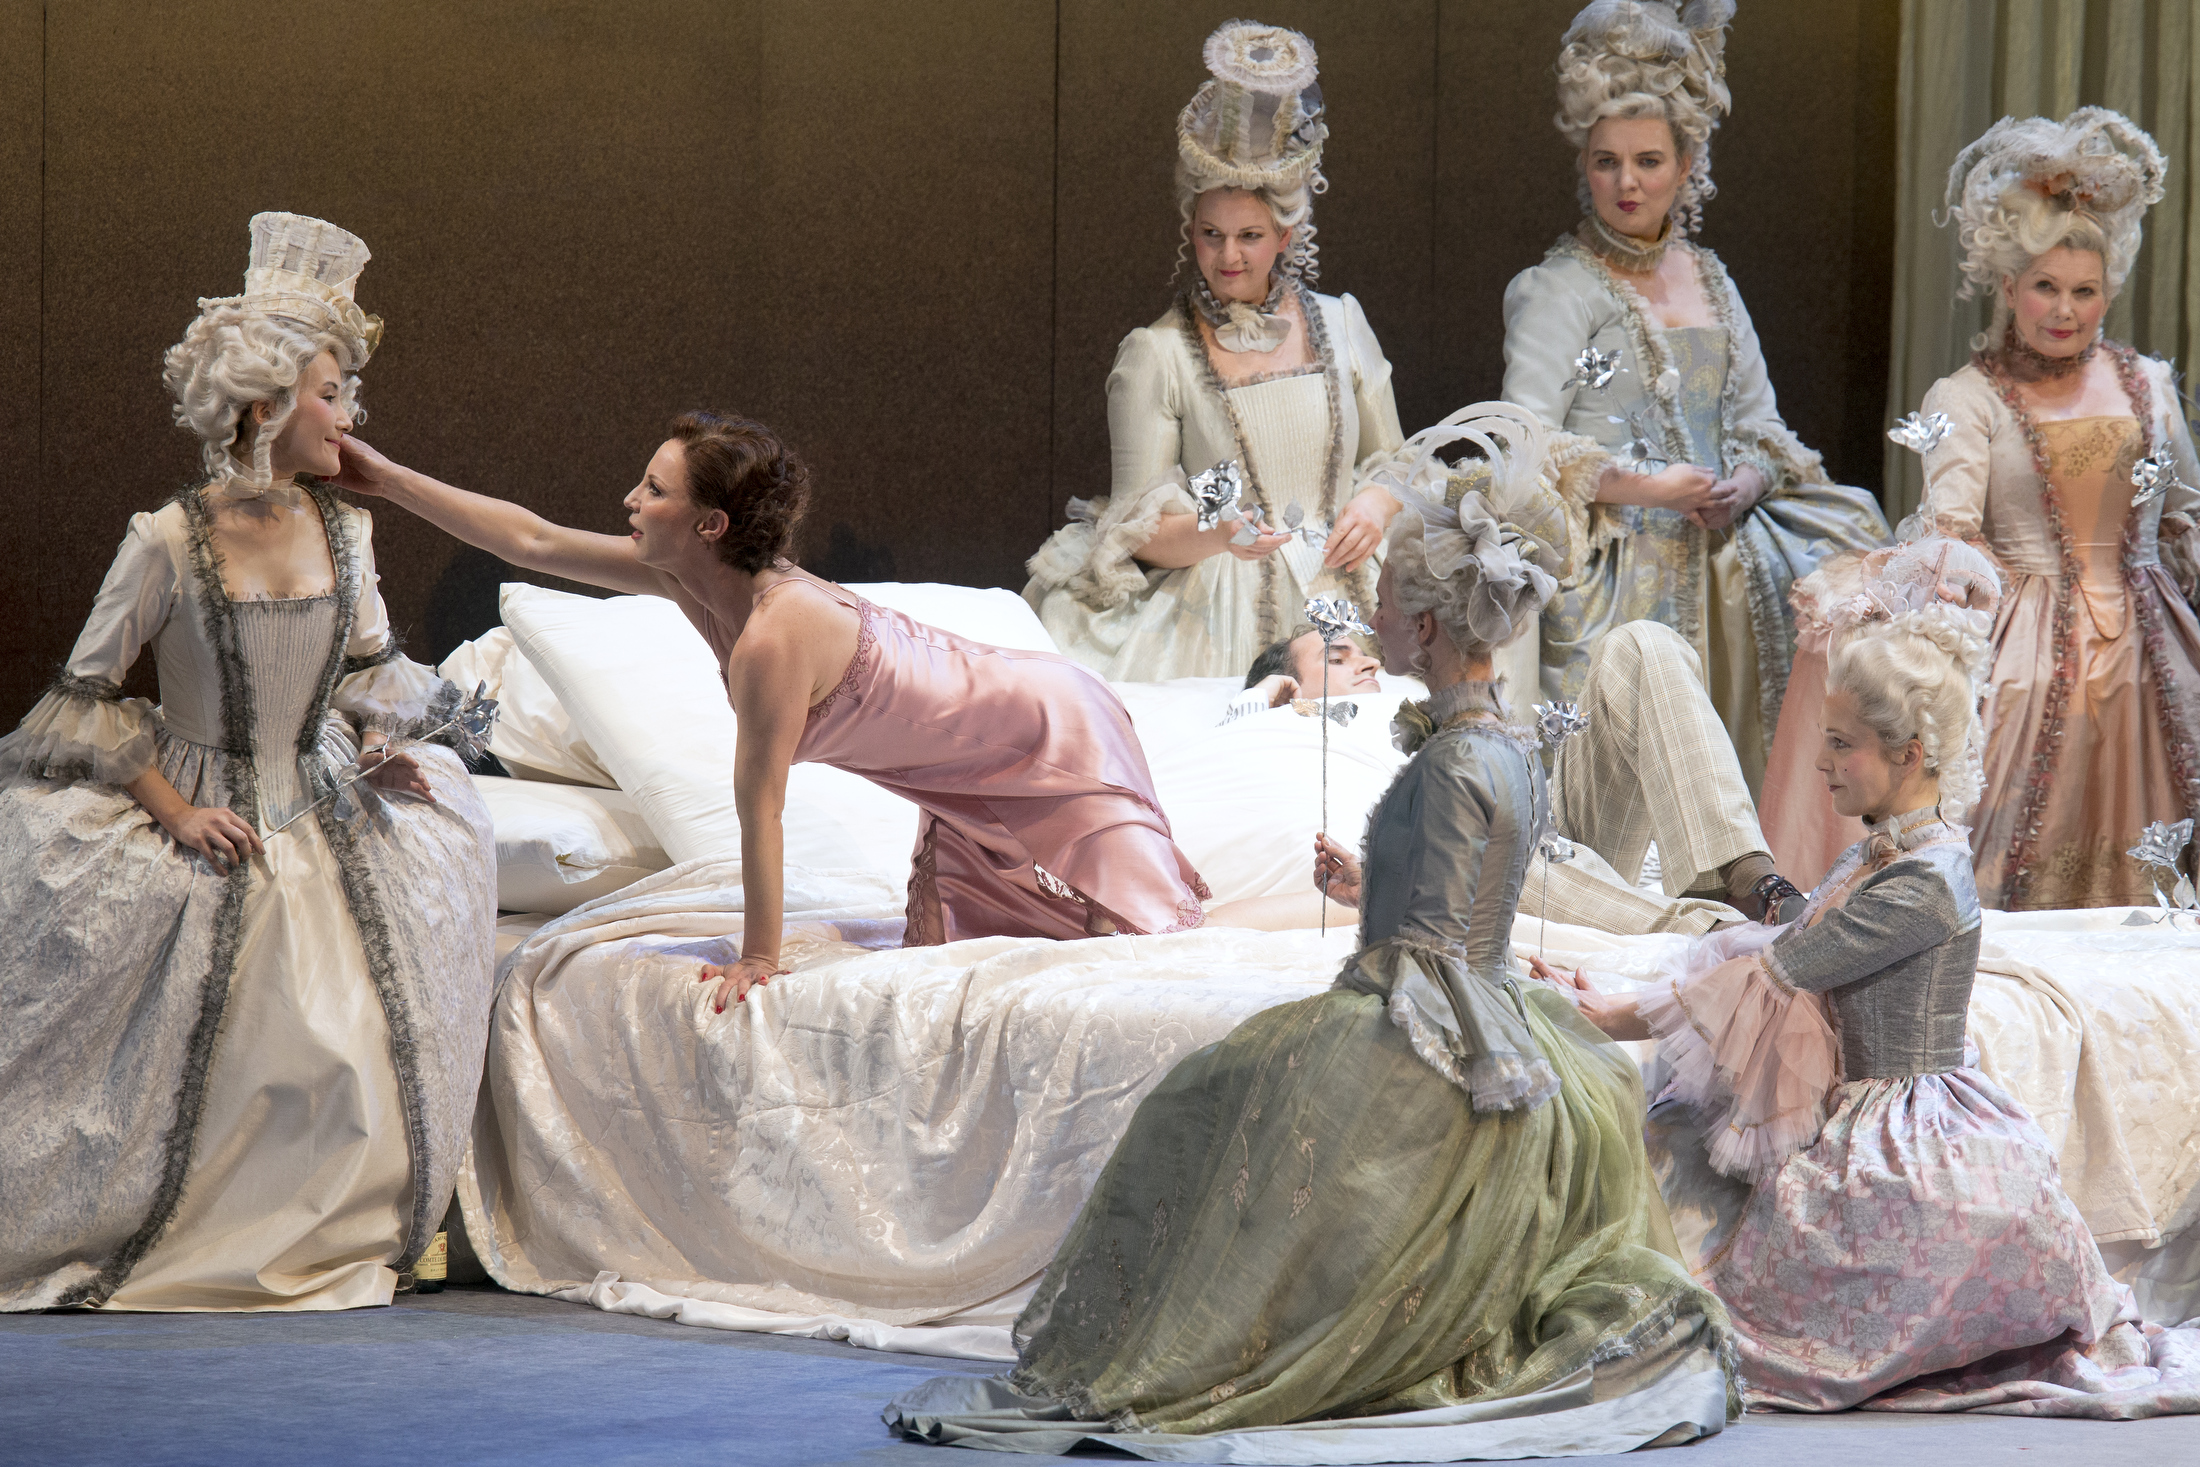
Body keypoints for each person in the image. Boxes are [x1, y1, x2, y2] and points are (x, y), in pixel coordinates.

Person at [886, 411, 1739, 1459]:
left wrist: (1391, 968)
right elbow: (1470, 889)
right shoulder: (1504, 746)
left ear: (1423, 626)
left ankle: (1218, 1348)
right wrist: (1379, 880)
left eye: (1381, 606)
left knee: (1202, 1097)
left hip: (1429, 1011)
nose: (1367, 617)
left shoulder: (1452, 762)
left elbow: (1436, 945)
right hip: (1485, 999)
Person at [1540, 548, 2200, 1413]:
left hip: (1906, 1131)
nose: (1821, 764)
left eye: (1841, 745)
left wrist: (1622, 1012)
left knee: (1722, 1288)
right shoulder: (1886, 852)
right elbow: (1788, 934)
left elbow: (1779, 970)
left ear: (1910, 754)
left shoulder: (1922, 883)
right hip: (1871, 1098)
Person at [0, 213, 497, 1312]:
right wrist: (174, 811)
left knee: (355, 1015)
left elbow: (368, 668)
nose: (350, 417)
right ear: (265, 406)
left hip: (318, 795)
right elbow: (83, 700)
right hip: (198, 796)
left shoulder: (349, 531)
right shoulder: (167, 539)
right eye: (332, 394)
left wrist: (380, 745)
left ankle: (341, 1226)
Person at [335, 413, 1209, 999]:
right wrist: (388, 479)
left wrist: (758, 957)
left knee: (1145, 941)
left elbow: (762, 809)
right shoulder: (688, 579)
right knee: (1019, 950)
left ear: (710, 525)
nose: (631, 501)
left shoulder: (771, 637)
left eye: (654, 490)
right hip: (970, 767)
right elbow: (532, 538)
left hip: (1050, 726)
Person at [1502, 0, 1888, 787]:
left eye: (1648, 160)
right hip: (1616, 570)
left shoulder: (1711, 279)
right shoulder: (1558, 288)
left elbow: (1760, 423)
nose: (1626, 182)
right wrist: (1650, 488)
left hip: (1720, 569)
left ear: (1685, 166)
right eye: (1606, 161)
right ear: (1584, 166)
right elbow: (1524, 441)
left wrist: (1745, 481)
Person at [1025, 20, 1407, 682]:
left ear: (1286, 235)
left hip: (1349, 589)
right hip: (1220, 605)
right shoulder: (1157, 354)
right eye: (1211, 234)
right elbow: (1137, 529)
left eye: (1249, 235)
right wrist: (1220, 533)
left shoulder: (1342, 323)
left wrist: (1374, 505)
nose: (1228, 256)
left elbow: (1398, 462)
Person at [1911, 108, 2200, 910]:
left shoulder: (2149, 384)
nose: (2064, 310)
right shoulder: (1967, 398)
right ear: (2008, 286)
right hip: (2026, 652)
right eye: (2045, 287)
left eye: (2084, 291)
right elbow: (1950, 534)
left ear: (2109, 293)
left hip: (2150, 645)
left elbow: (2185, 515)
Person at [1218, 616, 1804, 934]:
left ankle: (1752, 884)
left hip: (1546, 829)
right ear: (1290, 689)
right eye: (1335, 657)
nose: (1367, 660)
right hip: (1469, 863)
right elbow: (1219, 754)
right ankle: (1723, 936)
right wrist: (1265, 693)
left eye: (1362, 650)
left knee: (1639, 644)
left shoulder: (1418, 699)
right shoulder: (1286, 732)